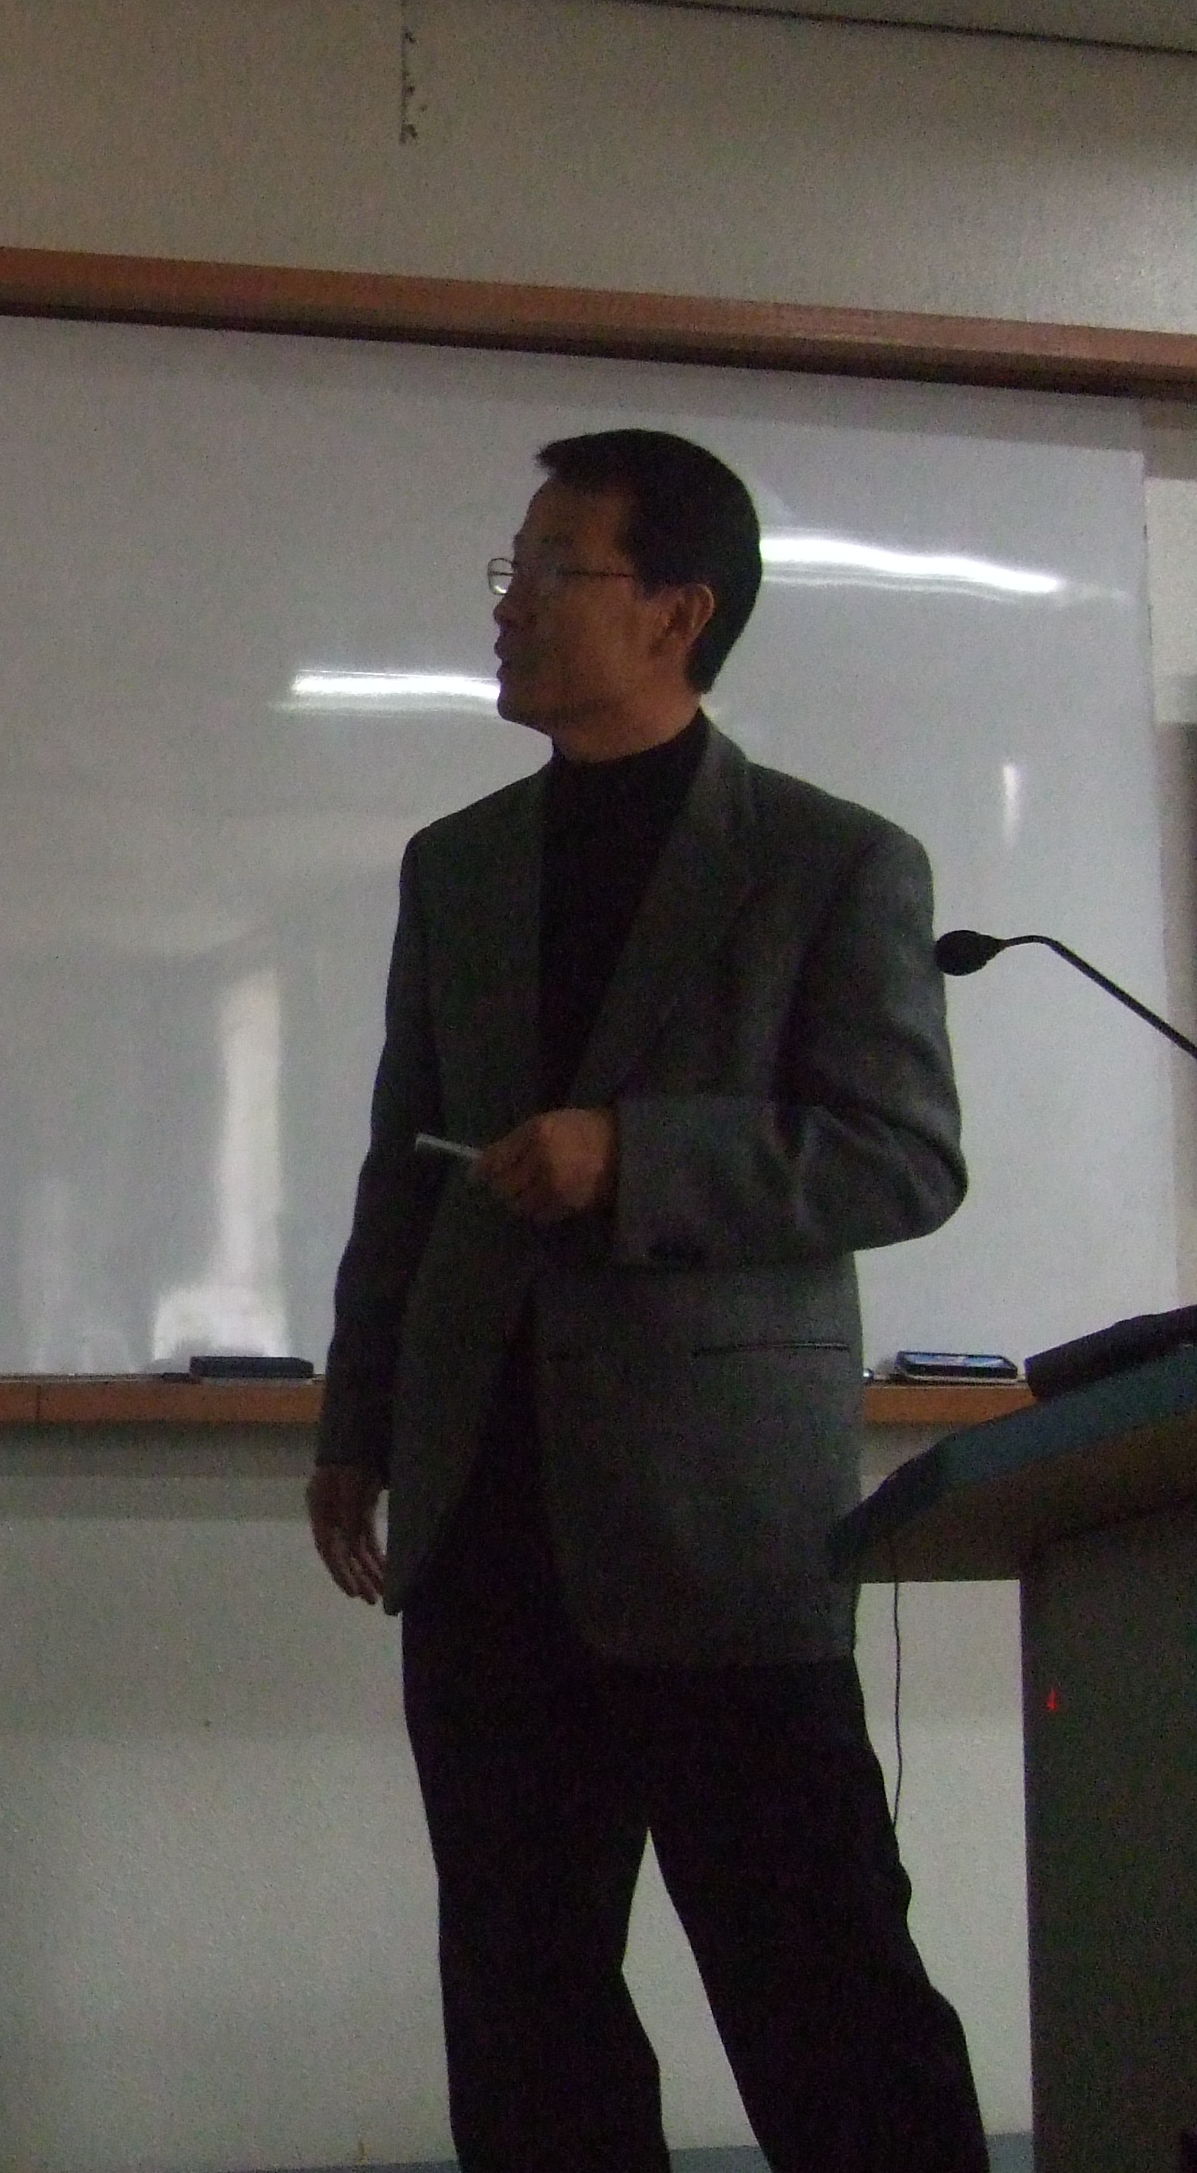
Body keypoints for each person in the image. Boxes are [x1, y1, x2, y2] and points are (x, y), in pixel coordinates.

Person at [306, 429, 991, 2173]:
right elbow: (404, 1163)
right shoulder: (459, 865)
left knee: (826, 1998)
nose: (509, 606)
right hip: (483, 1517)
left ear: (677, 612)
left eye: (551, 570)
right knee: (523, 2008)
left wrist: (638, 1158)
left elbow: (903, 1158)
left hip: (715, 1535)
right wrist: (356, 1424)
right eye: (511, 571)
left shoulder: (833, 862)